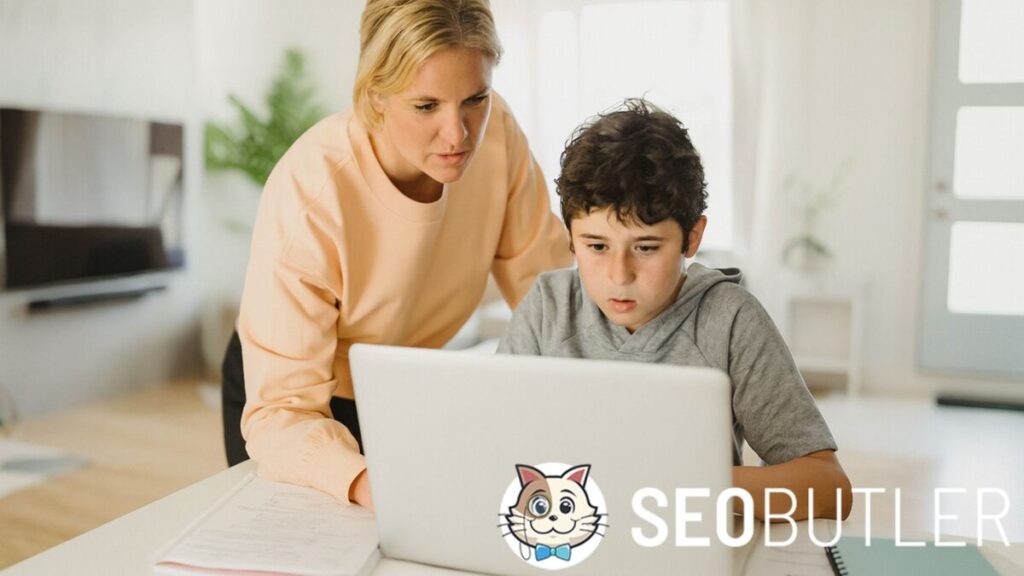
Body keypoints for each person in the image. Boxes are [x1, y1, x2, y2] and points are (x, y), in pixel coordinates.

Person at [225, 0, 572, 510]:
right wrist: (374, 486)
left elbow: (551, 295)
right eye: (426, 106)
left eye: (475, 98)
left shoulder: (498, 138)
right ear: (376, 94)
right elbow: (282, 412)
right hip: (295, 398)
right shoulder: (313, 190)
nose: (458, 135)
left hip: (401, 384)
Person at [497, 99, 852, 521]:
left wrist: (686, 490)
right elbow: (493, 447)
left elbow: (829, 488)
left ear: (692, 238)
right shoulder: (546, 308)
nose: (619, 274)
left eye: (646, 248)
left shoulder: (730, 320)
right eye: (596, 246)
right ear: (569, 236)